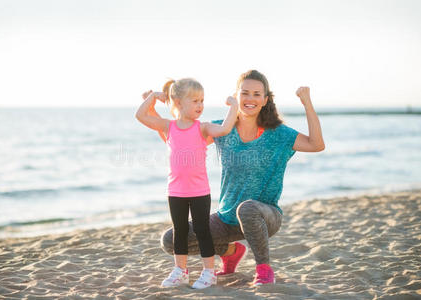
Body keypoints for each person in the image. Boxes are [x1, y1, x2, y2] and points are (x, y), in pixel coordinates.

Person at [159, 70, 325, 286]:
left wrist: (307, 103)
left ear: (265, 100)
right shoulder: (222, 129)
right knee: (170, 240)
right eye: (245, 93)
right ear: (237, 97)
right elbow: (180, 137)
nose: (250, 99)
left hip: (265, 215)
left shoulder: (279, 134)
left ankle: (263, 269)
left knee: (246, 208)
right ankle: (230, 251)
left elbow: (316, 144)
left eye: (257, 94)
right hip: (226, 218)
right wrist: (165, 103)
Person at [136, 78, 239, 289]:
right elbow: (140, 115)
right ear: (178, 102)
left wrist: (234, 106)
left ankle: (209, 272)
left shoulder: (202, 128)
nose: (200, 105)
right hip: (175, 191)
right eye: (195, 101)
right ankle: (180, 271)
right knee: (179, 231)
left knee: (202, 231)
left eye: (202, 100)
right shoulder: (169, 126)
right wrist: (152, 97)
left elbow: (226, 129)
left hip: (199, 192)